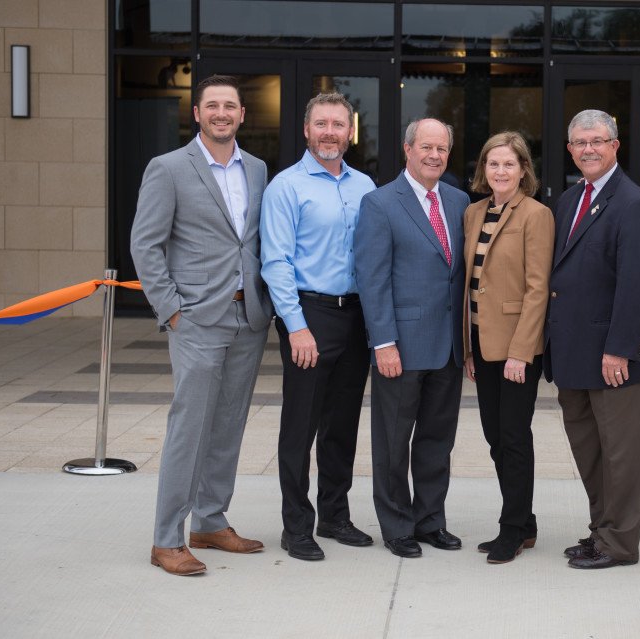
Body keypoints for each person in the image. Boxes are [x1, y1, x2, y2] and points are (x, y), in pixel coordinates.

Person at [131, 74, 272, 576]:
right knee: (189, 428)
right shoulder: (168, 168)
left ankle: (210, 520)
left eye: (230, 106)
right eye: (212, 105)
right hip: (196, 319)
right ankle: (166, 538)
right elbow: (145, 244)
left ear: (241, 114)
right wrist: (171, 309)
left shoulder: (256, 169)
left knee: (228, 425)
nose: (221, 113)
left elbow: (250, 242)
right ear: (197, 113)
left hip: (248, 317)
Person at [544, 109, 640, 570]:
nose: (588, 149)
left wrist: (620, 349)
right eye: (579, 142)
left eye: (597, 140)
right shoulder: (571, 200)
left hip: (614, 358)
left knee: (623, 456)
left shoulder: (633, 204)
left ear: (615, 146)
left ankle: (620, 545)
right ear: (570, 149)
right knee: (591, 452)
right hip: (575, 355)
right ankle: (602, 532)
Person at [260, 92, 376, 562]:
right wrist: (296, 327)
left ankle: (334, 514)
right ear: (306, 130)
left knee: (342, 424)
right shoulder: (286, 187)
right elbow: (276, 262)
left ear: (351, 132)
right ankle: (296, 526)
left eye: (339, 124)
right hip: (310, 315)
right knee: (301, 425)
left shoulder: (365, 185)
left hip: (356, 317)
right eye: (321, 123)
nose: (330, 132)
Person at [354, 118, 469, 559]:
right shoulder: (380, 204)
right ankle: (397, 524)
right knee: (392, 442)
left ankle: (430, 520)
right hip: (399, 345)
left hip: (448, 347)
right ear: (408, 149)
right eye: (426, 147)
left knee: (437, 441)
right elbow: (372, 278)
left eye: (442, 149)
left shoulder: (459, 202)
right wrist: (383, 342)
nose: (434, 156)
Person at [461, 132, 554, 564]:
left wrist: (522, 352)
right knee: (495, 436)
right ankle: (527, 521)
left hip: (518, 349)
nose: (500, 171)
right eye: (493, 164)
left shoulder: (536, 215)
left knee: (514, 437)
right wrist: (468, 348)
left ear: (523, 171)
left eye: (509, 165)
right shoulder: (473, 212)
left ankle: (512, 528)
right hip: (482, 343)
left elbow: (538, 289)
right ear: (484, 169)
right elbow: (470, 285)